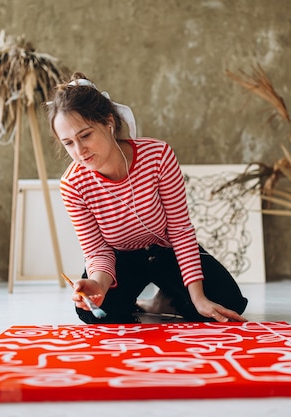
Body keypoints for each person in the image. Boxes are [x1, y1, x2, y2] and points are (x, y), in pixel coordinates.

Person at [47, 72, 248, 324]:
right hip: (120, 259)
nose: (79, 151)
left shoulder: (158, 156)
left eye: (85, 135)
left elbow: (180, 229)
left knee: (227, 303)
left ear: (108, 122)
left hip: (166, 250)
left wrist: (198, 298)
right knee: (94, 313)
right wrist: (97, 285)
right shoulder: (72, 184)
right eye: (68, 143)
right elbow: (98, 250)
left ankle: (165, 300)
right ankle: (149, 301)